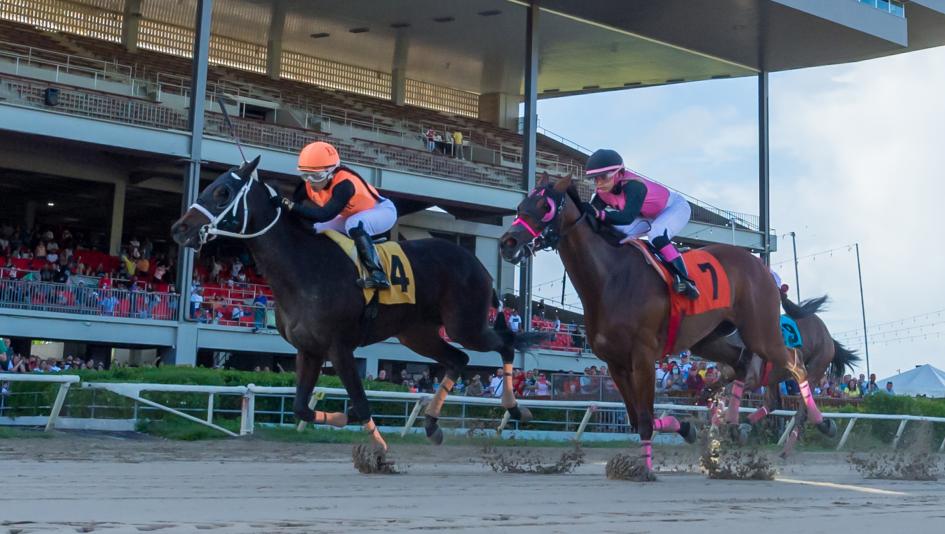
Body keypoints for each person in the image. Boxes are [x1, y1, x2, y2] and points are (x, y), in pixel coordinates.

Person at [272, 141, 398, 289]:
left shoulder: (344, 185)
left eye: (316, 176)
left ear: (331, 172)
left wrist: (289, 205)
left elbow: (324, 214)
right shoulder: (309, 184)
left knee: (353, 224)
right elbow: (295, 208)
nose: (311, 182)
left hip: (382, 211)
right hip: (353, 214)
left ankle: (378, 274)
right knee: (318, 228)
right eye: (305, 175)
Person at [583, 149, 698, 299]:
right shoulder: (602, 192)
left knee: (656, 235)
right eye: (595, 179)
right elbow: (592, 219)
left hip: (673, 207)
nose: (598, 183)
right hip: (646, 215)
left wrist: (598, 213)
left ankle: (686, 281)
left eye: (603, 177)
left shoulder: (634, 186)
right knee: (614, 232)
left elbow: (627, 217)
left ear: (619, 173)